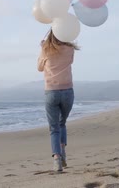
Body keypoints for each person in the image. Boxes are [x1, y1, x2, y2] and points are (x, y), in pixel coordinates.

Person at [37, 29, 79, 172]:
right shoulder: (70, 49)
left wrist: (43, 49)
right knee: (62, 123)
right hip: (68, 91)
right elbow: (70, 61)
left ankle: (57, 160)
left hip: (51, 92)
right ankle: (63, 153)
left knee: (54, 128)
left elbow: (39, 68)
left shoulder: (46, 50)